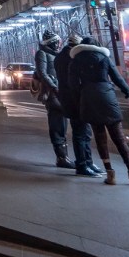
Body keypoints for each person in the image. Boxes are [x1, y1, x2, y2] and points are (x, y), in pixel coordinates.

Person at [69, 36, 129, 185]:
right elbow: (117, 77)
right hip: (107, 98)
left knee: (100, 138)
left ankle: (110, 174)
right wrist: (127, 91)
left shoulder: (76, 61)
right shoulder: (104, 58)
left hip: (89, 100)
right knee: (118, 137)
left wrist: (80, 98)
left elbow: (73, 84)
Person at [54, 30, 100, 177]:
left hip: (69, 99)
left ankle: (87, 162)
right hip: (76, 99)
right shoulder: (72, 58)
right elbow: (75, 81)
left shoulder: (60, 57)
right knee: (81, 133)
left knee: (84, 131)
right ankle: (83, 165)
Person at [34, 30, 75, 169]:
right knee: (57, 123)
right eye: (57, 42)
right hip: (52, 94)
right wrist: (53, 87)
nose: (59, 44)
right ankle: (61, 157)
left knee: (62, 124)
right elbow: (42, 73)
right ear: (52, 42)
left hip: (61, 92)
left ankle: (64, 156)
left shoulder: (57, 55)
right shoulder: (42, 54)